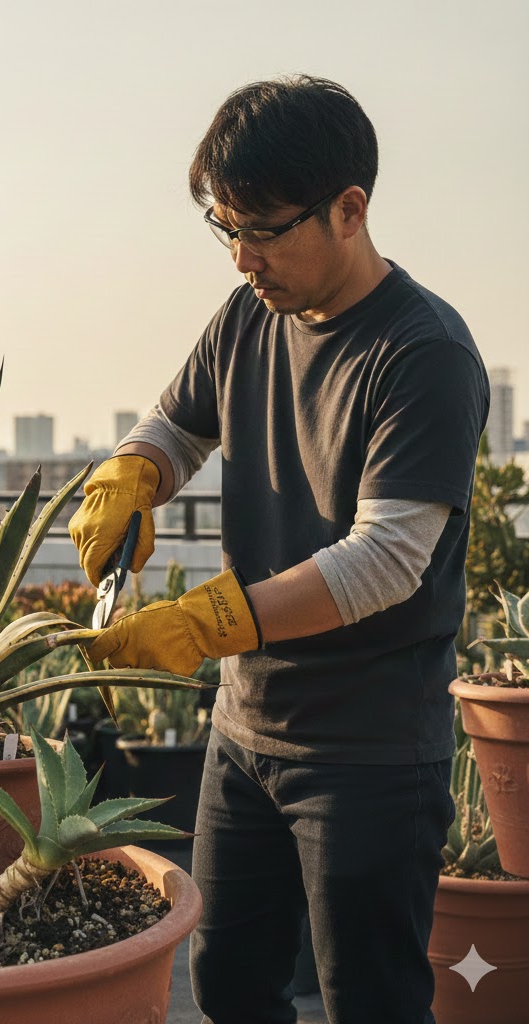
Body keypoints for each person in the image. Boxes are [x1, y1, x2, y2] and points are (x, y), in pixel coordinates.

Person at [68, 75, 489, 1024]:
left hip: (369, 749)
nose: (242, 257)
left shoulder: (424, 354)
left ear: (350, 209)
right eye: (226, 228)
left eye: (263, 230)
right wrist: (131, 475)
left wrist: (207, 621)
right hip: (246, 732)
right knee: (227, 984)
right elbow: (177, 429)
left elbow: (386, 559)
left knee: (369, 1000)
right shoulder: (252, 313)